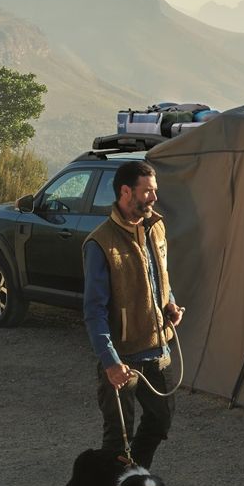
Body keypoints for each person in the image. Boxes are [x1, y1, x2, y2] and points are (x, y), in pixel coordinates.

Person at [83, 160, 184, 469]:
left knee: (161, 420)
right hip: (123, 358)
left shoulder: (156, 226)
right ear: (126, 192)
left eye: (155, 191)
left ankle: (134, 481)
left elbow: (159, 275)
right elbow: (94, 310)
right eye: (148, 191)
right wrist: (110, 362)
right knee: (117, 439)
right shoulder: (100, 243)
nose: (154, 197)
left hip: (158, 349)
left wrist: (170, 303)